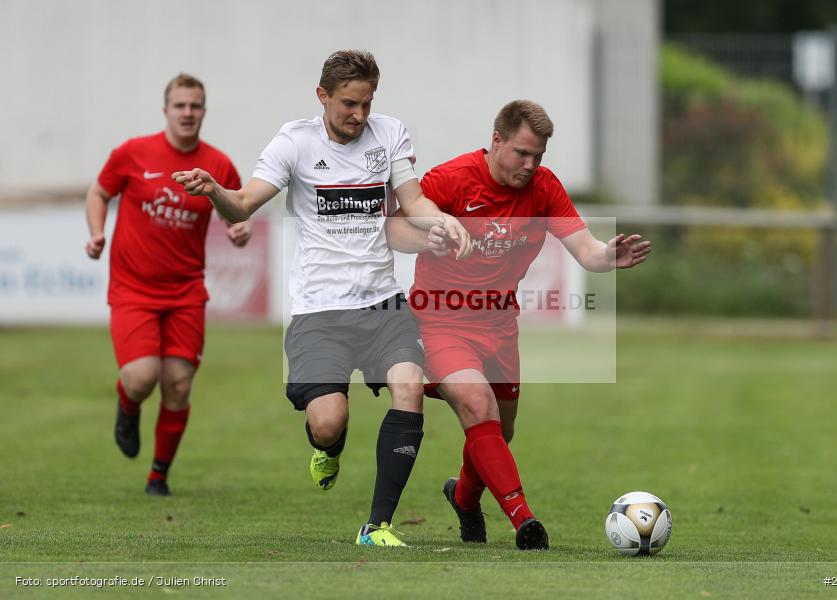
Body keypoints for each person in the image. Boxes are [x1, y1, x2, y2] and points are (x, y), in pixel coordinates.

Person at [173, 50, 471, 546]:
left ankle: (377, 526)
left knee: (410, 388)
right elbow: (243, 202)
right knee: (330, 422)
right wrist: (213, 191)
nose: (359, 114)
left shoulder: (390, 133)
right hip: (320, 311)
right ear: (323, 96)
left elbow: (413, 200)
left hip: (383, 303)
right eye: (349, 104)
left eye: (367, 103)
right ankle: (326, 446)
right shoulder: (295, 142)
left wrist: (441, 220)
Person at [386, 99, 652, 549]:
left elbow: (587, 250)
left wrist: (609, 257)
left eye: (538, 157)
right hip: (439, 319)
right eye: (521, 154)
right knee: (478, 406)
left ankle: (464, 498)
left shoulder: (545, 188)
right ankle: (525, 521)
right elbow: (394, 230)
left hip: (499, 325)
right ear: (496, 141)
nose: (530, 166)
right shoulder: (451, 179)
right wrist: (429, 237)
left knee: (498, 434)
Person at [85, 73, 252, 496]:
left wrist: (240, 230)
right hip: (133, 288)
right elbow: (98, 193)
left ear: (203, 112)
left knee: (177, 383)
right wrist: (96, 232)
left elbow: (238, 210)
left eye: (195, 105)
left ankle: (158, 476)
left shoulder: (217, 163)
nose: (187, 112)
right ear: (166, 110)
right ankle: (128, 405)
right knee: (142, 378)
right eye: (180, 105)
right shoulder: (132, 153)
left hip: (185, 292)